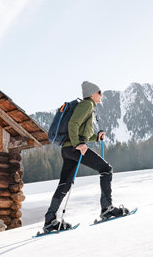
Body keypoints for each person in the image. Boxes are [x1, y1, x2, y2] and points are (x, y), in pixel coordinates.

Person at [43, 81, 128, 233]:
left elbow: (82, 133)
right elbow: (73, 124)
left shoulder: (88, 107)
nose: (101, 95)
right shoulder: (87, 105)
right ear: (92, 93)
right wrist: (78, 144)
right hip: (75, 149)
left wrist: (96, 137)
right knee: (106, 169)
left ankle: (50, 220)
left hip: (68, 149)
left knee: (65, 184)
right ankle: (107, 208)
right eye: (99, 91)